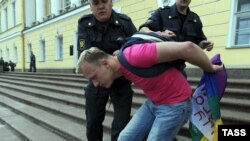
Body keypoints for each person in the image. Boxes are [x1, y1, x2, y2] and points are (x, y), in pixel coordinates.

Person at [75, 40, 223, 141]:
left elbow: (188, 47)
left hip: (176, 105)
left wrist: (209, 68)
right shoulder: (118, 63)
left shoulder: (134, 55)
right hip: (154, 103)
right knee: (125, 138)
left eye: (93, 77)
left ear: (105, 64)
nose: (94, 84)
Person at [77, 0, 137, 140]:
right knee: (92, 122)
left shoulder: (125, 22)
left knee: (121, 124)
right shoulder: (85, 23)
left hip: (121, 80)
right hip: (98, 79)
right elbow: (85, 53)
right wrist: (115, 58)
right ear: (90, 6)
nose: (101, 6)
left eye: (104, 1)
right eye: (96, 3)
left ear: (111, 2)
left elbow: (136, 46)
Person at [139, 0, 214, 77]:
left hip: (179, 69)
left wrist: (204, 44)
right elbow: (143, 30)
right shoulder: (162, 13)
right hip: (159, 69)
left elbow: (198, 44)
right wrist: (160, 33)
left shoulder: (195, 19)